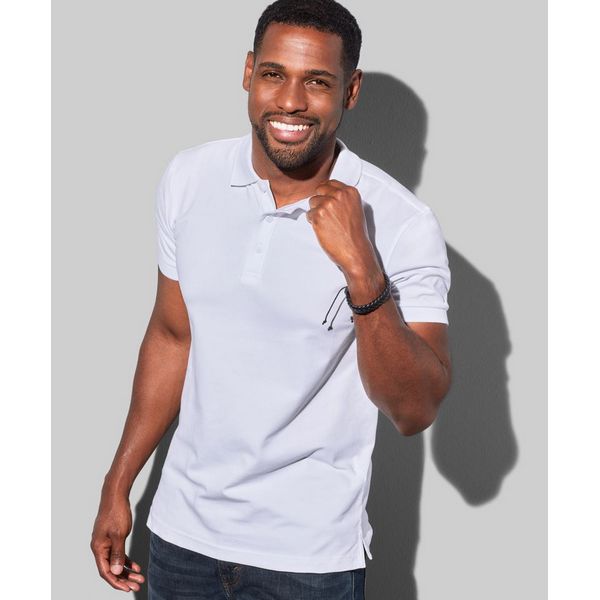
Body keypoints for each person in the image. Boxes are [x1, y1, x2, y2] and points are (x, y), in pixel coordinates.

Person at [90, 0, 451, 597]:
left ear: (351, 91)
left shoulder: (402, 222)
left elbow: (415, 410)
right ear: (248, 72)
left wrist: (362, 269)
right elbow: (173, 337)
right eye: (274, 74)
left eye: (318, 82)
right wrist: (117, 484)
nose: (290, 101)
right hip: (181, 539)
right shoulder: (189, 178)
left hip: (307, 559)